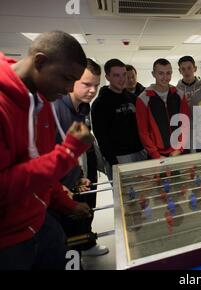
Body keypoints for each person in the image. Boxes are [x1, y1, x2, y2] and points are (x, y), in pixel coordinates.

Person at [0, 31, 92, 269]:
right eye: (66, 78)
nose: (70, 87)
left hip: (41, 223)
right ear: (40, 62)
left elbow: (41, 165)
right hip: (8, 240)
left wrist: (66, 204)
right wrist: (69, 152)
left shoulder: (42, 101)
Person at [53, 58, 109, 257]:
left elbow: (74, 152)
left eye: (96, 85)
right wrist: (59, 186)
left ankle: (84, 247)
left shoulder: (83, 108)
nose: (92, 90)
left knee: (77, 230)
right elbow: (45, 156)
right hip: (55, 193)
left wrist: (78, 176)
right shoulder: (56, 108)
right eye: (86, 84)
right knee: (63, 244)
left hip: (73, 184)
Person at [91, 59, 147, 179]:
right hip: (119, 158)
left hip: (140, 153)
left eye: (124, 74)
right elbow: (101, 136)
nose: (122, 79)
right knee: (125, 196)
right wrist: (113, 162)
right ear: (108, 77)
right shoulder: (100, 103)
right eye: (116, 75)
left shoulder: (133, 99)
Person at [136, 58, 190, 159]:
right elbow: (143, 131)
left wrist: (179, 148)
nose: (165, 77)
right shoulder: (143, 98)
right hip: (156, 155)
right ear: (153, 74)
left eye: (168, 73)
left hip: (179, 152)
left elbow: (185, 124)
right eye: (161, 73)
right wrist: (156, 155)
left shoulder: (179, 95)